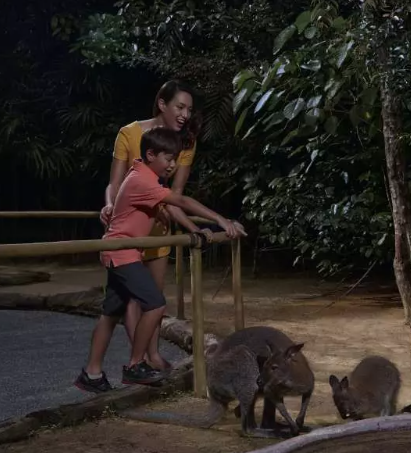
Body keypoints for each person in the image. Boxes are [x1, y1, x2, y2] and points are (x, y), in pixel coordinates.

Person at [75, 127, 246, 392]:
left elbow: (171, 206)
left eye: (175, 158)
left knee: (110, 314)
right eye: (168, 158)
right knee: (155, 304)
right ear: (151, 155)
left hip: (120, 251)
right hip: (122, 253)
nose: (173, 164)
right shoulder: (142, 181)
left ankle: (91, 374)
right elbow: (181, 200)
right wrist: (220, 220)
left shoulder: (144, 176)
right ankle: (135, 366)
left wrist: (196, 230)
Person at [100, 80, 201, 371]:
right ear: (162, 104)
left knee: (154, 296)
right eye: (180, 107)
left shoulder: (186, 142)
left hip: (158, 227)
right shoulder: (129, 133)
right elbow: (114, 183)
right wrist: (109, 204)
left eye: (189, 110)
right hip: (128, 227)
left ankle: (152, 354)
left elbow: (175, 193)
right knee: (131, 298)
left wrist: (188, 224)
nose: (185, 115)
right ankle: (139, 361)